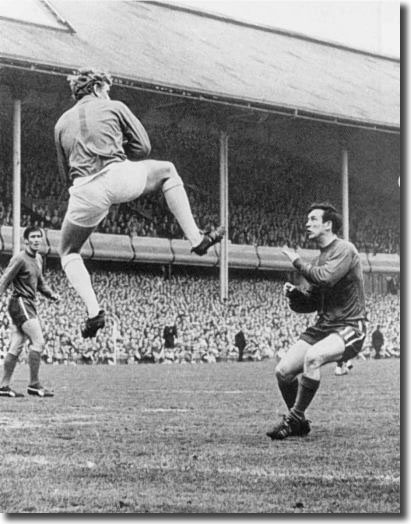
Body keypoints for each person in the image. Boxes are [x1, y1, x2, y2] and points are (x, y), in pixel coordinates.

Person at [54, 68, 225, 339]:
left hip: (85, 191)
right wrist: (121, 153)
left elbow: (64, 174)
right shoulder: (114, 106)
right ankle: (196, 239)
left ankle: (93, 312)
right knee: (168, 170)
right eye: (106, 89)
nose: (108, 93)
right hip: (119, 176)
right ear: (98, 88)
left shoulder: (61, 123)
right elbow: (143, 148)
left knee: (68, 251)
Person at [266, 202, 367, 440]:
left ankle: (292, 419)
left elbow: (327, 279)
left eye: (313, 219)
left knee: (313, 357)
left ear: (328, 225)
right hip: (323, 327)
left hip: (349, 326)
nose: (307, 223)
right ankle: (299, 422)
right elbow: (310, 303)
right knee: (283, 371)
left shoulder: (345, 249)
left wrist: (296, 261)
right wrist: (294, 296)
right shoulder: (319, 258)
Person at [0, 226, 59, 397]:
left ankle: (3, 386)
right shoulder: (20, 258)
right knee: (38, 341)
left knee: (16, 346)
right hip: (20, 302)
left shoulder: (39, 259)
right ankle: (34, 384)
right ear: (26, 240)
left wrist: (51, 295)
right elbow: (5, 279)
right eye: (32, 237)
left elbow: (40, 283)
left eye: (38, 237)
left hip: (29, 304)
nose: (35, 239)